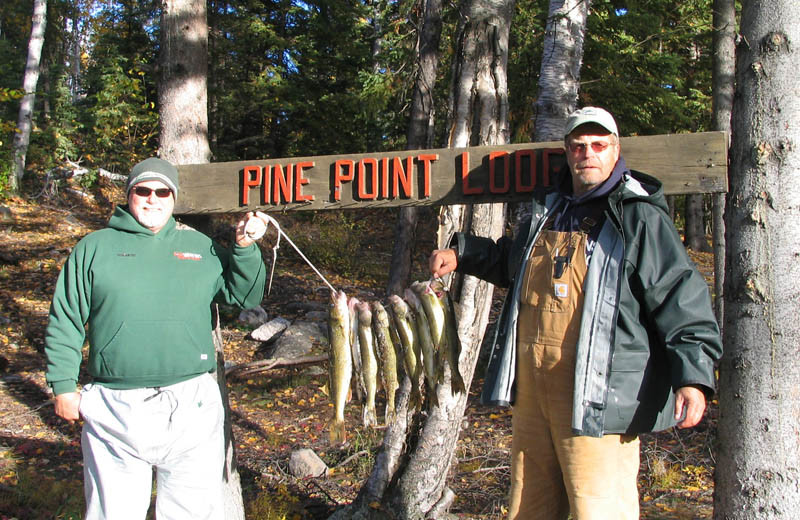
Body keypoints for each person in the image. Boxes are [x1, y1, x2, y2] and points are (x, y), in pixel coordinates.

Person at [429, 107, 722, 519]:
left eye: (598, 145)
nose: (588, 153)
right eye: (579, 145)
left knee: (597, 506)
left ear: (615, 150)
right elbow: (514, 265)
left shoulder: (637, 216)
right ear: (567, 152)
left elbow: (679, 295)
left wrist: (693, 375)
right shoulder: (551, 207)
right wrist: (463, 253)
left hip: (598, 400)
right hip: (532, 395)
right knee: (529, 506)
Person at [44, 157, 268, 519]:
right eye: (143, 191)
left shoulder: (199, 247)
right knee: (112, 513)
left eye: (163, 191)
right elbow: (66, 317)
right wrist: (62, 385)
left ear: (173, 197)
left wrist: (243, 245)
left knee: (192, 513)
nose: (153, 199)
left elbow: (244, 297)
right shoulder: (94, 248)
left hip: (191, 403)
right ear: (129, 195)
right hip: (113, 408)